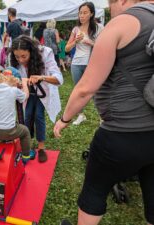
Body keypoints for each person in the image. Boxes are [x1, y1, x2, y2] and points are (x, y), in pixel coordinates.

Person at [54, 1, 154, 225]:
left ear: (122, 1)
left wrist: (64, 119)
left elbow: (85, 88)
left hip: (122, 132)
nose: (111, 9)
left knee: (94, 190)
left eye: (111, 4)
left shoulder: (121, 24)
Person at [10, 35, 63, 163]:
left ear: (31, 52)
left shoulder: (45, 53)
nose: (20, 60)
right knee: (26, 116)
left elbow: (59, 78)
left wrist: (42, 77)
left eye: (24, 56)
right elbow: (11, 74)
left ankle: (41, 148)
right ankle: (27, 146)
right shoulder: (13, 58)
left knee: (39, 116)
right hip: (26, 91)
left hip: (42, 91)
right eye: (17, 57)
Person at [65, 2, 103, 125]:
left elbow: (104, 47)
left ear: (91, 14)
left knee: (95, 91)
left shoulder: (98, 28)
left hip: (91, 63)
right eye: (80, 13)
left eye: (85, 12)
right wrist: (75, 41)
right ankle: (81, 115)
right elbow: (66, 49)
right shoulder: (76, 29)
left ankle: (102, 117)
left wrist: (90, 42)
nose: (82, 15)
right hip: (76, 63)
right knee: (78, 91)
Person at [0, 74, 31, 166]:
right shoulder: (13, 90)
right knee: (25, 131)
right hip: (8, 131)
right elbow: (25, 96)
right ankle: (26, 156)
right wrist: (24, 83)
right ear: (14, 82)